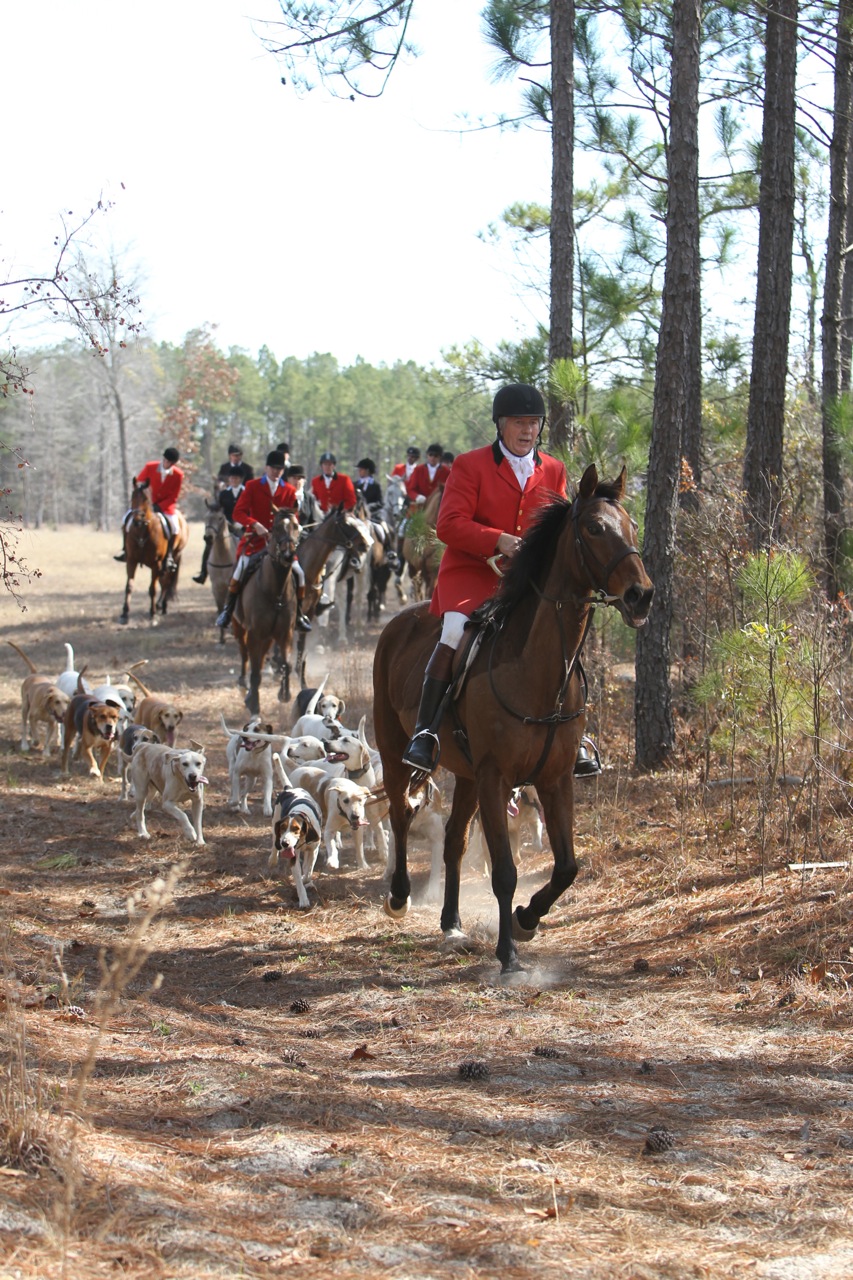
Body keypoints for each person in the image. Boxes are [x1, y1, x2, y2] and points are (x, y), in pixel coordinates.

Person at [402, 385, 567, 772]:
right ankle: (425, 732)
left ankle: (570, 731)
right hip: (472, 573)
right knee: (455, 631)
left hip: (525, 580)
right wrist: (498, 541)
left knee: (558, 629)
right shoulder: (470, 465)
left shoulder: (554, 470)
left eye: (534, 423)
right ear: (500, 424)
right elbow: (449, 524)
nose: (527, 431)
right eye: (518, 423)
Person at [214, 450, 311, 633]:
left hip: (281, 545)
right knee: (240, 570)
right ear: (266, 468)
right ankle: (228, 611)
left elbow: (293, 515)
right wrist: (255, 524)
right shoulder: (252, 486)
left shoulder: (289, 491)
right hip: (254, 542)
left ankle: (299, 614)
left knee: (299, 573)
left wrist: (293, 526)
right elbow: (237, 513)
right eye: (273, 468)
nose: (276, 472)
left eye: (280, 469)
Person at [115, 446, 184, 572]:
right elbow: (139, 482)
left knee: (175, 527)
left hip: (165, 507)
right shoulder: (150, 467)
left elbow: (174, 496)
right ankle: (125, 550)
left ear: (174, 463)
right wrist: (145, 499)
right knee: (125, 519)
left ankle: (168, 556)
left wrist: (160, 506)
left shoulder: (178, 475)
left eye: (170, 462)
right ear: (163, 458)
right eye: (166, 461)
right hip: (145, 505)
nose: (167, 464)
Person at [193, 464, 246, 584]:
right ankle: (203, 573)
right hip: (225, 525)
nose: (233, 481)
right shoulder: (224, 494)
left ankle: (246, 573)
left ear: (240, 479)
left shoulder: (246, 493)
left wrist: (242, 522)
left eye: (236, 478)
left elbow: (250, 510)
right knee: (209, 545)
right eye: (231, 478)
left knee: (247, 546)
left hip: (242, 526)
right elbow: (218, 508)